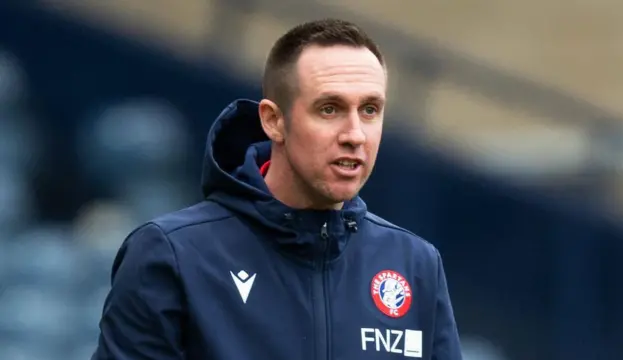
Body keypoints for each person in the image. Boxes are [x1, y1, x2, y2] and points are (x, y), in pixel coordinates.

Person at [92, 18, 462, 360]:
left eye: (369, 110)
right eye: (329, 109)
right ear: (273, 121)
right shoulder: (173, 255)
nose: (354, 135)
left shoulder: (416, 264)